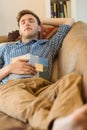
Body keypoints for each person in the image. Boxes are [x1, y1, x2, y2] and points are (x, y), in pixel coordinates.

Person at [0, 9, 85, 130]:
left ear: (40, 28)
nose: (27, 23)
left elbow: (69, 20)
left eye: (31, 21)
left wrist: (41, 19)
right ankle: (55, 124)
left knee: (72, 79)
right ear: (19, 30)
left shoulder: (49, 45)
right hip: (12, 87)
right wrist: (9, 68)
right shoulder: (6, 48)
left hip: (43, 87)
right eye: (23, 22)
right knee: (7, 96)